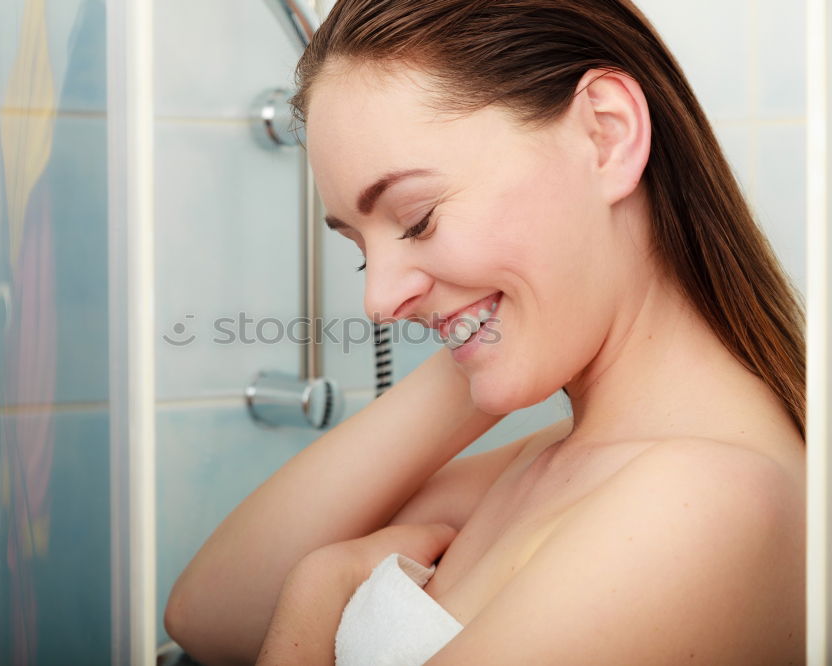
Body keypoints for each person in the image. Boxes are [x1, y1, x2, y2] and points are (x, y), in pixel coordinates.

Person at [164, 1, 806, 663]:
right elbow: (209, 612)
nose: (378, 301)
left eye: (417, 219)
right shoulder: (564, 460)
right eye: (361, 249)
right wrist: (482, 329)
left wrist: (315, 602)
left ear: (604, 135)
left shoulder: (701, 502)